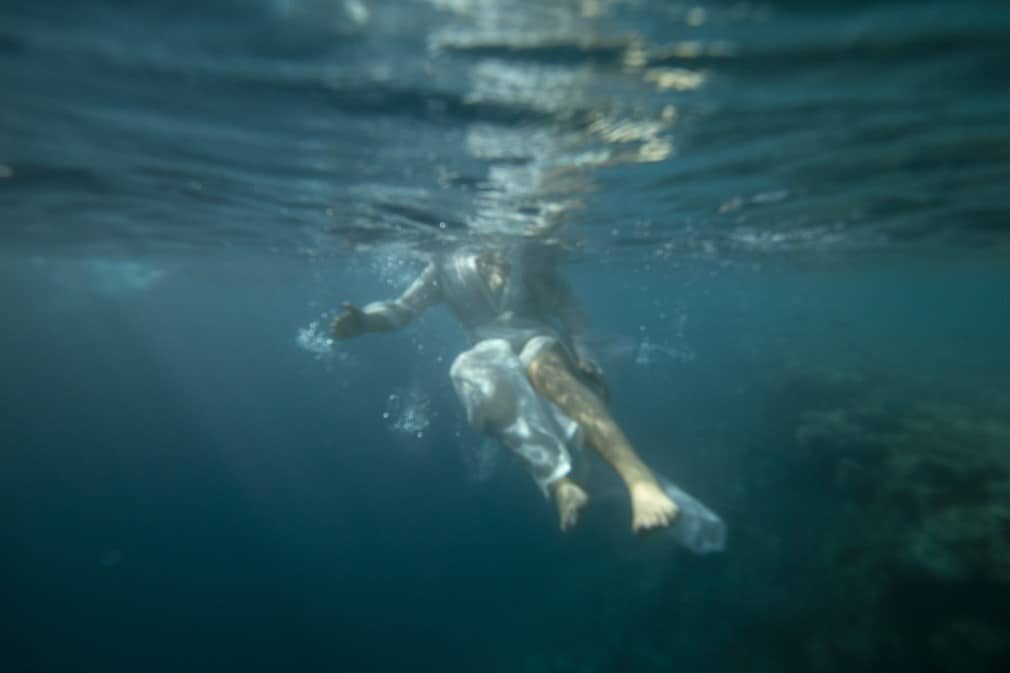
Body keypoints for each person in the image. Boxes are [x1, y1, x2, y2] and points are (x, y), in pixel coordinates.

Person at [331, 240, 679, 533]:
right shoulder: (445, 264)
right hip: (486, 347)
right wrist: (366, 320)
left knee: (548, 373)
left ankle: (641, 482)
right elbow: (402, 308)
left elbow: (568, 308)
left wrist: (585, 355)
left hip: (537, 339)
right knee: (473, 373)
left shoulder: (530, 251)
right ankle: (559, 485)